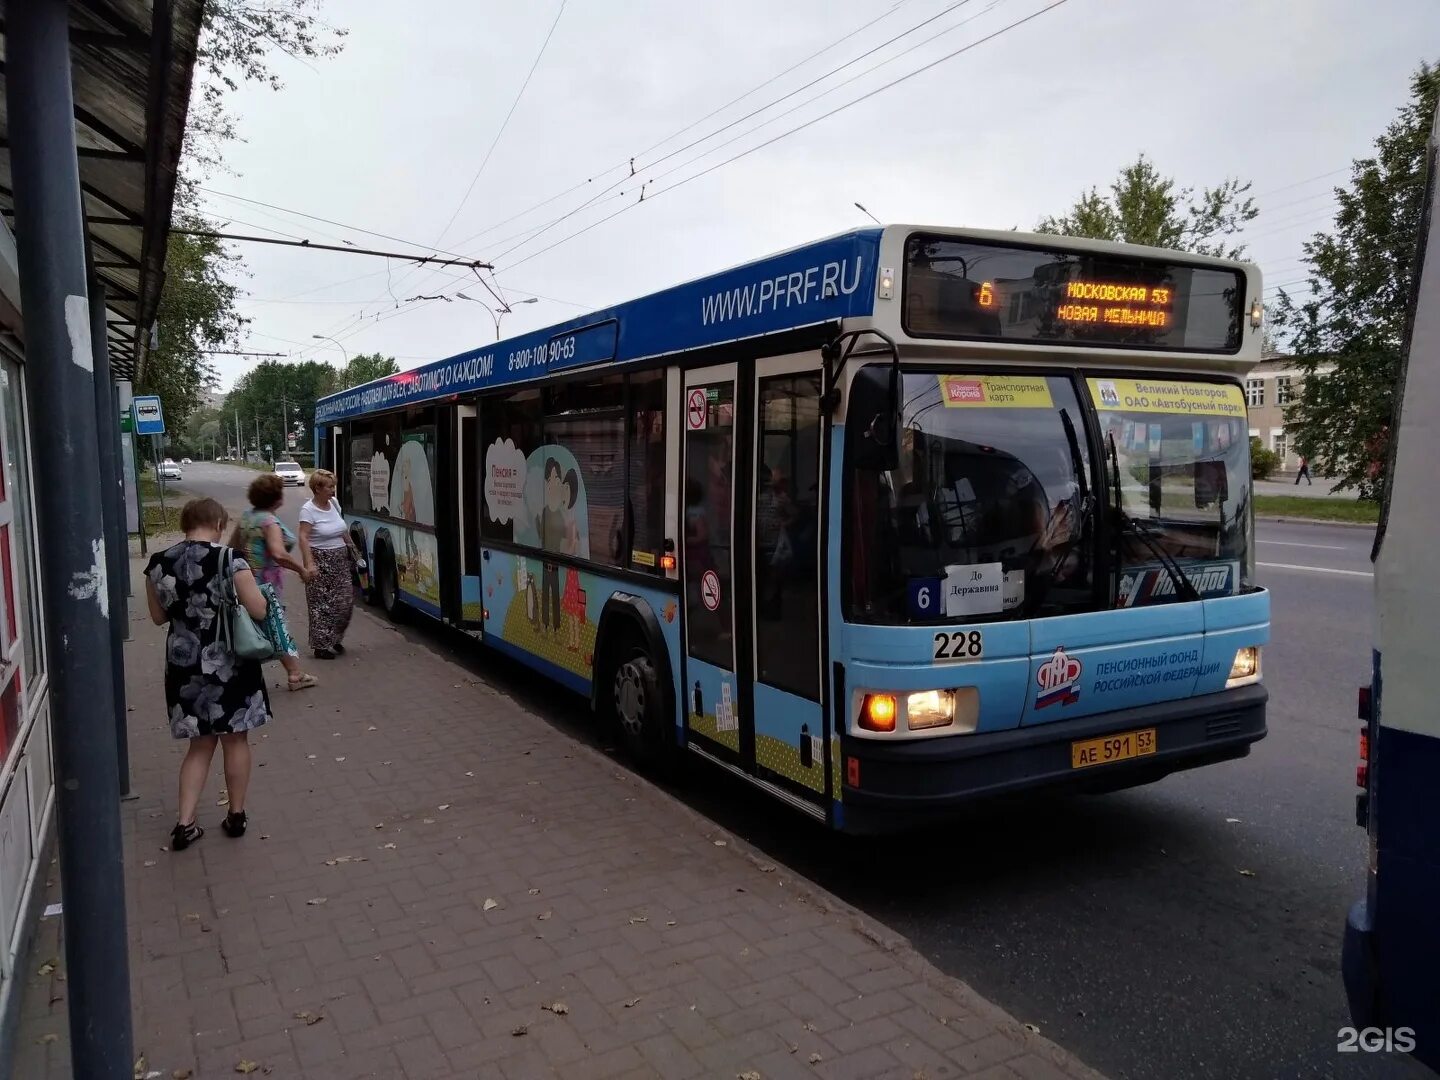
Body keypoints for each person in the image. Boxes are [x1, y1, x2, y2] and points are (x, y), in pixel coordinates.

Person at [145, 498, 272, 850]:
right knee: (235, 738)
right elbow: (258, 609)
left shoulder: (157, 563)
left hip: (184, 665)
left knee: (199, 745)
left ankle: (184, 823)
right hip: (229, 660)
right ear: (218, 523)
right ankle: (236, 815)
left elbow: (158, 618)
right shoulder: (230, 560)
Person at [235, 473, 318, 690]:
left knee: (259, 626)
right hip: (265, 584)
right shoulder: (269, 521)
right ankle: (294, 674)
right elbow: (279, 554)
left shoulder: (247, 516)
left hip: (246, 580)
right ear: (276, 498)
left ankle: (292, 672)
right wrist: (302, 570)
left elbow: (232, 548)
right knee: (275, 626)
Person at [299, 469, 363, 660]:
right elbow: (303, 537)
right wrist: (309, 564)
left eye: (333, 486)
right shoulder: (308, 510)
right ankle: (321, 646)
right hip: (320, 561)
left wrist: (355, 552)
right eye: (330, 487)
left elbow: (342, 529)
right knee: (321, 606)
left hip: (340, 560)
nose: (333, 490)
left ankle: (334, 637)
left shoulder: (333, 504)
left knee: (345, 603)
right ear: (317, 488)